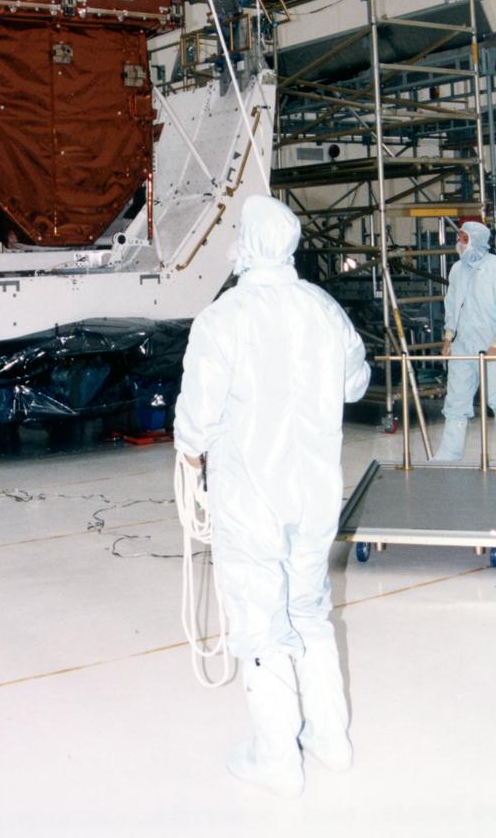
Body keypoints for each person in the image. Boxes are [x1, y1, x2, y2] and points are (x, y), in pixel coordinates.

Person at [174, 194, 370, 797]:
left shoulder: (223, 318)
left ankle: (277, 757)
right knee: (310, 612)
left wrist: (190, 453)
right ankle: (330, 740)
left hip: (250, 497)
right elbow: (356, 384)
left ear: (247, 243)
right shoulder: (323, 308)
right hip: (314, 496)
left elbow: (195, 422)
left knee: (260, 625)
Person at [432, 220, 496, 462]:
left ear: (477, 240)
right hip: (462, 345)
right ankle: (449, 454)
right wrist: (448, 337)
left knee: (495, 398)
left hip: (491, 346)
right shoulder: (457, 269)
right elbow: (452, 305)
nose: (459, 243)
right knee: (457, 400)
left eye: (464, 239)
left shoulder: (494, 268)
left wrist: (495, 345)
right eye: (458, 238)